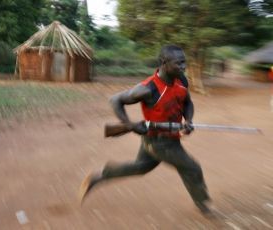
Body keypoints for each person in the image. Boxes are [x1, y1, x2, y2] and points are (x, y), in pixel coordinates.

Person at [79, 44, 212, 216]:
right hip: (158, 142)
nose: (183, 67)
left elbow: (187, 102)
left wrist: (189, 120)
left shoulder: (182, 81)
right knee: (191, 168)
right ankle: (203, 204)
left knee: (141, 167)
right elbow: (115, 100)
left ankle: (98, 177)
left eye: (184, 62)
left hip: (170, 137)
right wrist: (129, 124)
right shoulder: (148, 89)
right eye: (178, 63)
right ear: (163, 63)